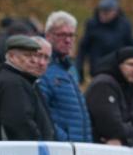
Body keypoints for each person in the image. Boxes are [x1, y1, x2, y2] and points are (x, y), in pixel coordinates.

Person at [0, 35, 54, 141]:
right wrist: (40, 145)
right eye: (27, 55)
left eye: (34, 55)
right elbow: (20, 124)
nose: (34, 60)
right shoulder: (12, 83)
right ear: (12, 56)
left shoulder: (22, 80)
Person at [38, 11, 92, 142]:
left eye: (71, 35)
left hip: (80, 151)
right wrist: (63, 139)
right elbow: (39, 114)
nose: (68, 40)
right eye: (62, 35)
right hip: (61, 152)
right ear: (48, 36)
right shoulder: (41, 67)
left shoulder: (69, 70)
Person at [76, 0, 133, 82]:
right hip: (97, 70)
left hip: (118, 71)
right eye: (101, 11)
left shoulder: (125, 26)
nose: (103, 15)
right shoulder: (92, 24)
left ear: (115, 12)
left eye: (107, 12)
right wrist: (79, 68)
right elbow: (83, 47)